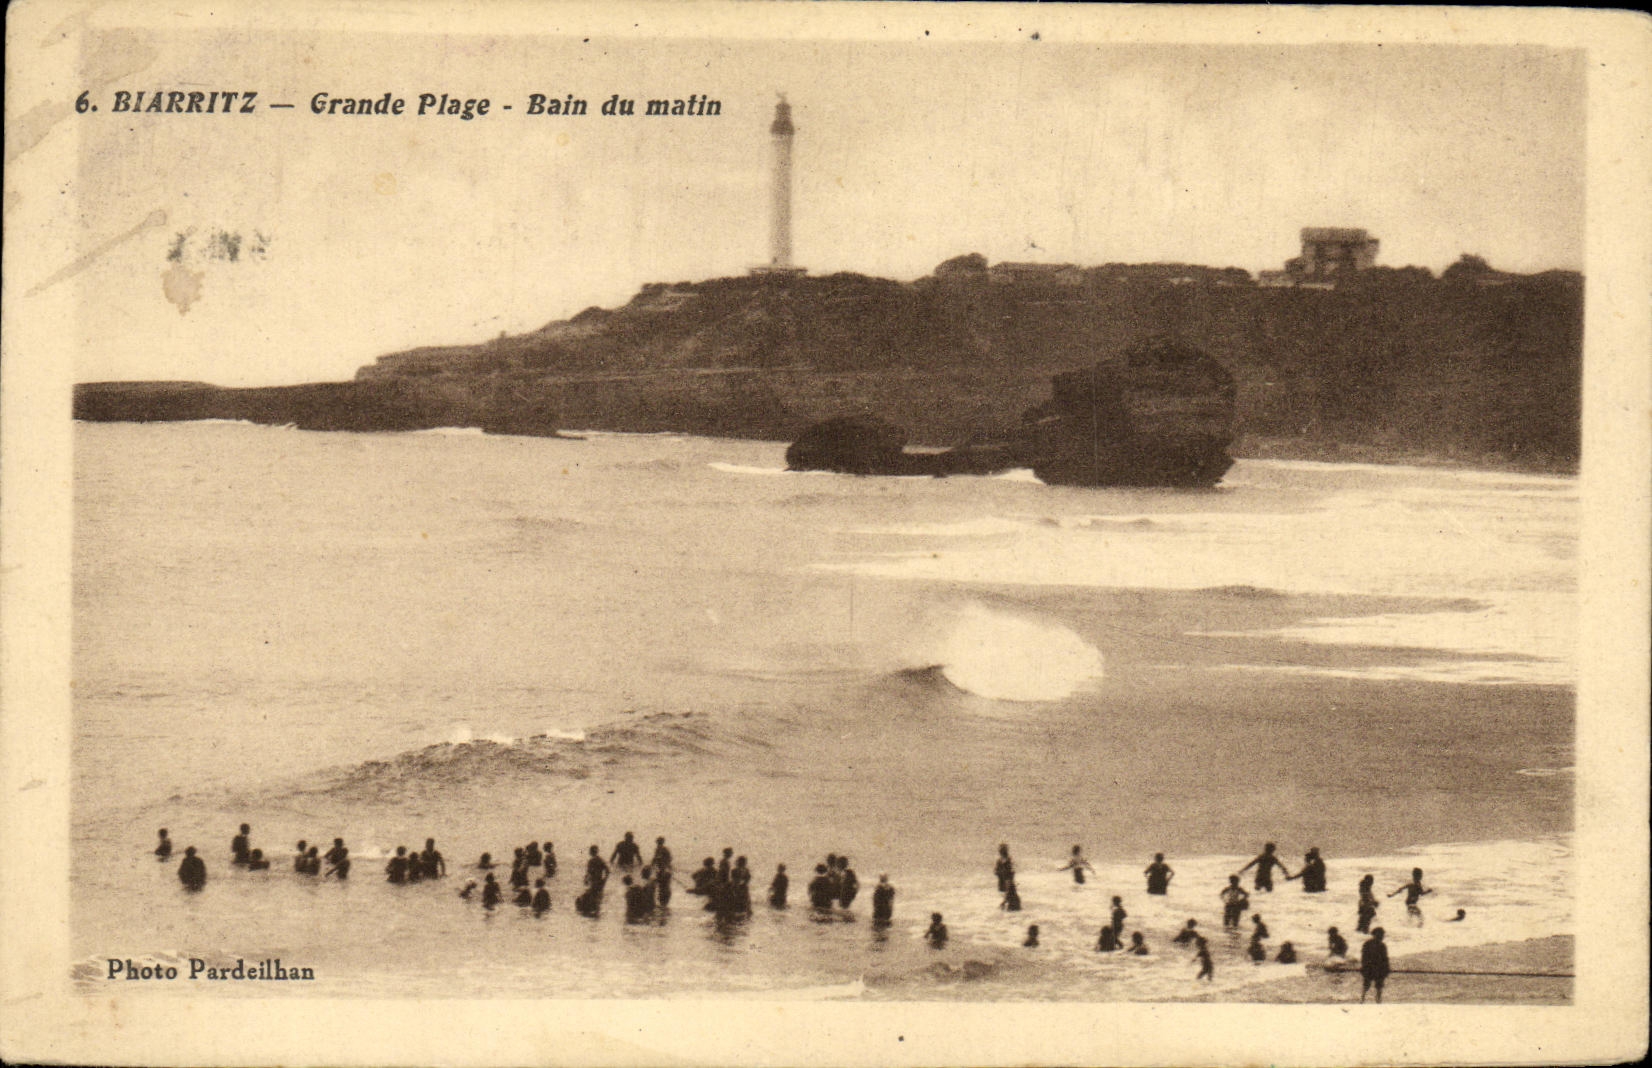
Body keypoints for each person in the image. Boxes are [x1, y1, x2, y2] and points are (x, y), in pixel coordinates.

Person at [1360, 927, 1391, 1003]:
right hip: (1371, 968)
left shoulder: (1381, 945)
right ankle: (1363, 999)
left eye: (1382, 935)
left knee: (1377, 986)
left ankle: (1376, 1000)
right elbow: (1364, 957)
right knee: (1368, 985)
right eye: (1380, 934)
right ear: (1375, 935)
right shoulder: (1369, 944)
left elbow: (1385, 959)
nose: (1382, 936)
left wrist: (1386, 968)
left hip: (1377, 969)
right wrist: (1365, 967)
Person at [650, 838, 673, 906]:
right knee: (662, 885)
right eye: (658, 843)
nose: (658, 844)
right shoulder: (659, 849)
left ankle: (662, 900)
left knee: (662, 884)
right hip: (662, 868)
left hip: (663, 868)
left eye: (659, 843)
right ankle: (662, 901)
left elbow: (668, 858)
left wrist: (664, 864)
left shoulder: (663, 849)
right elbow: (655, 859)